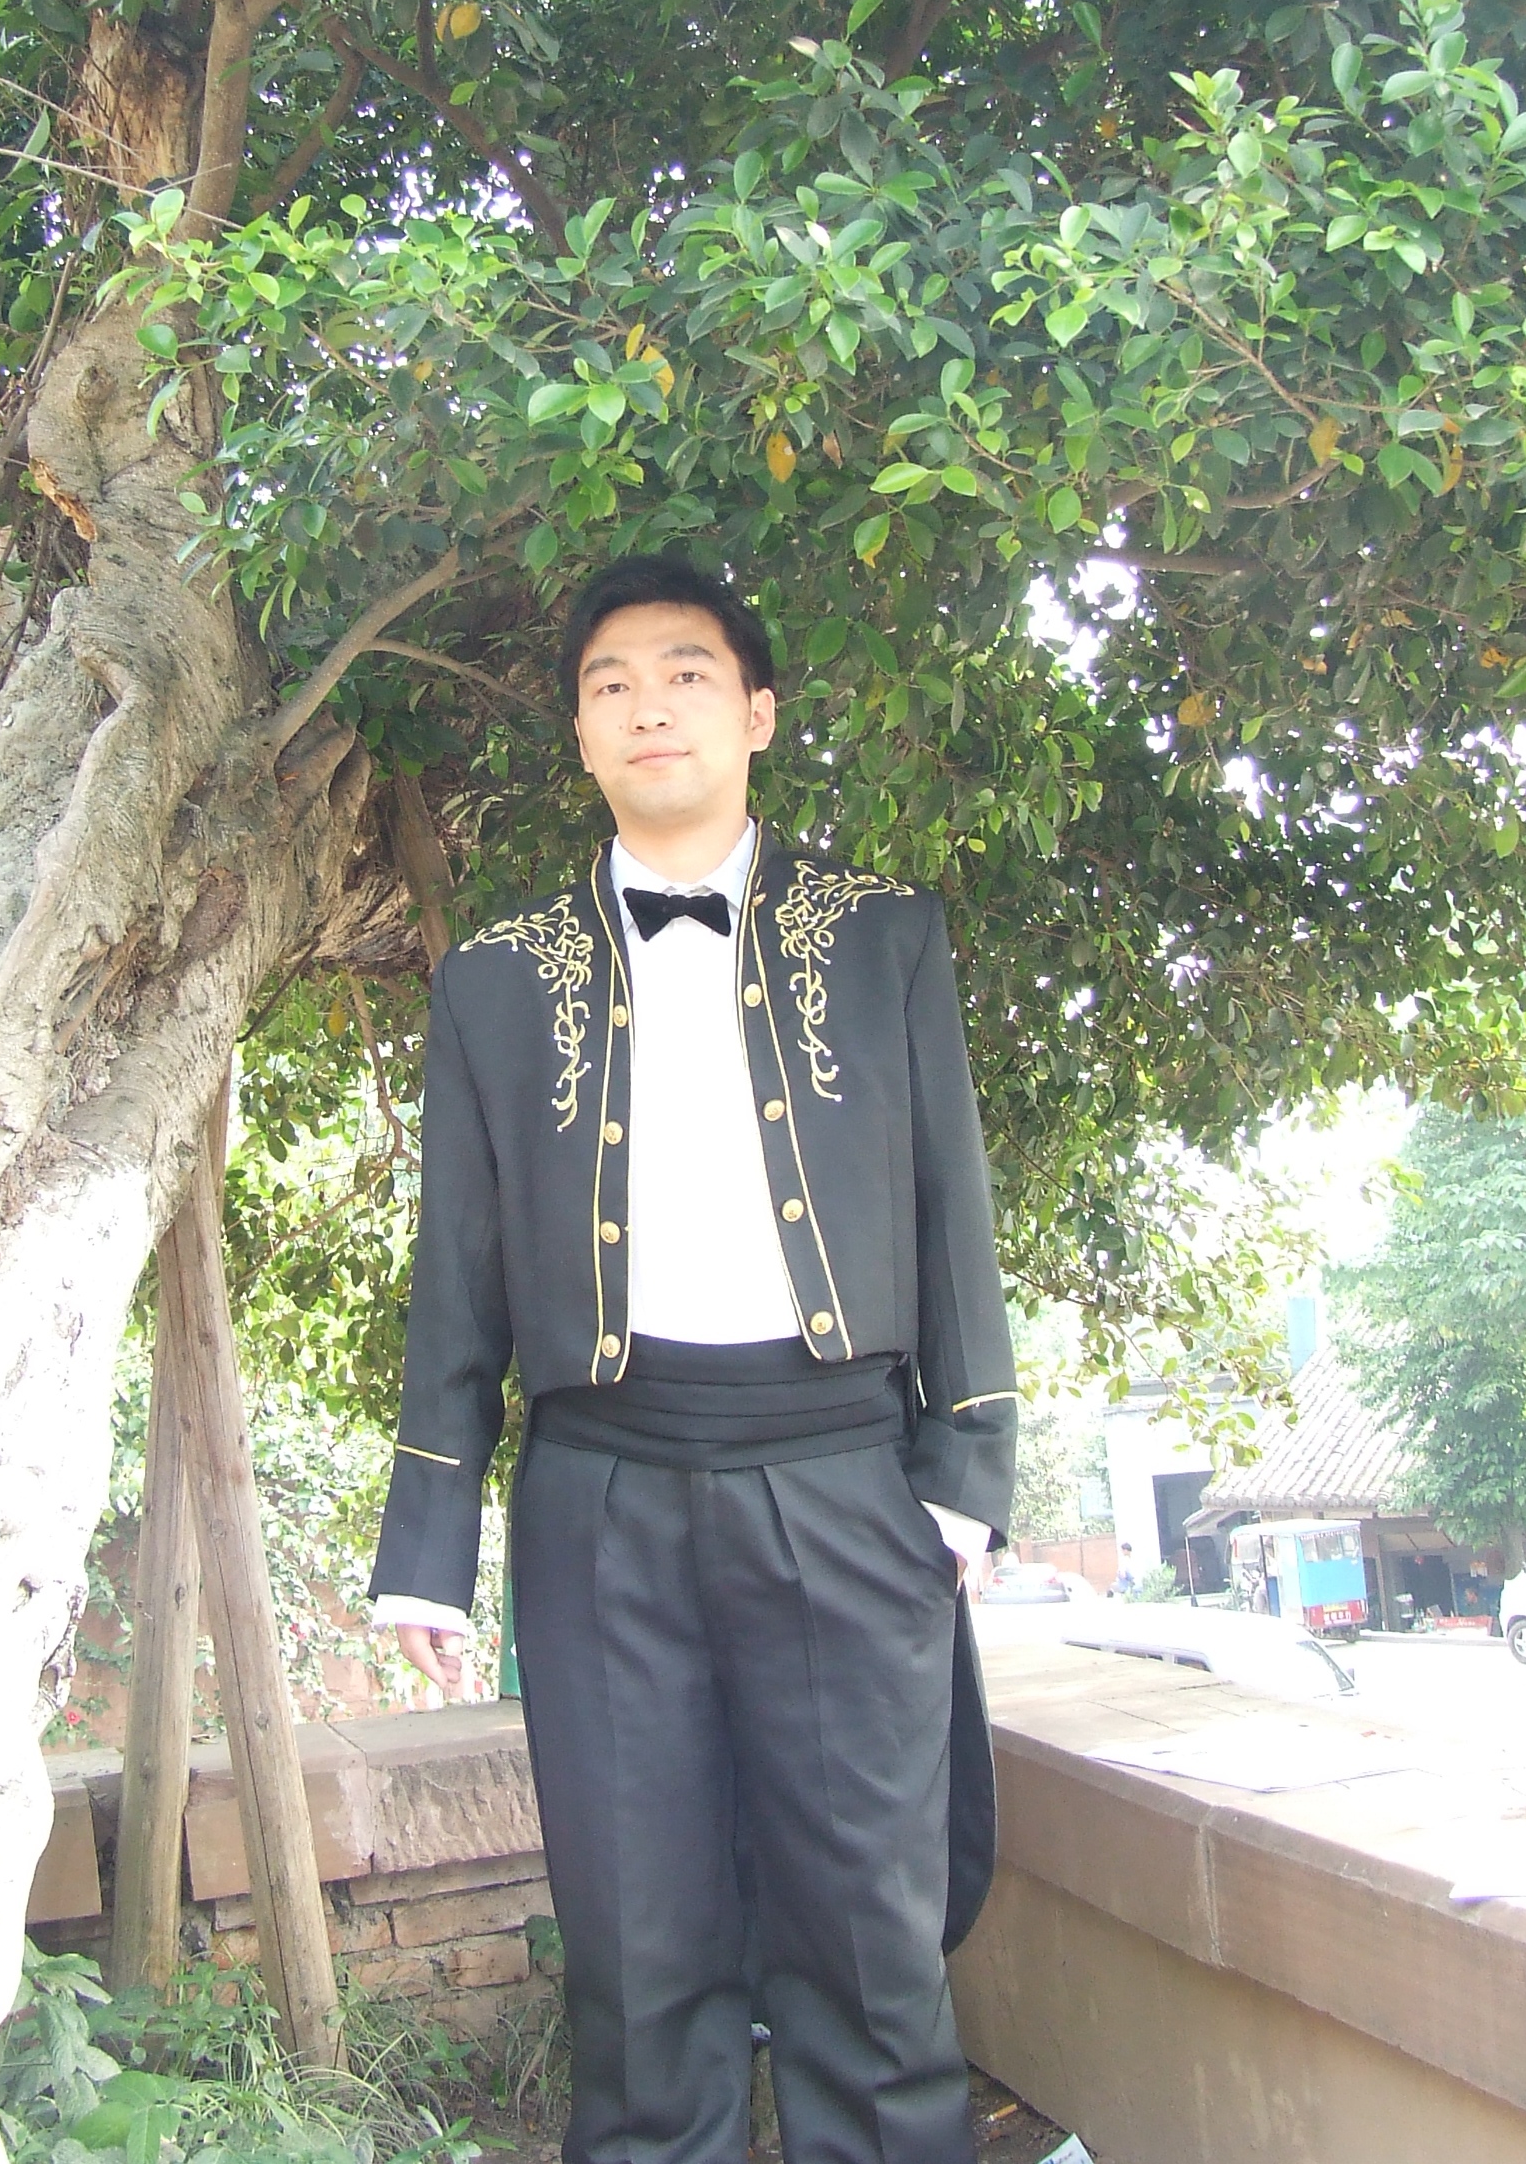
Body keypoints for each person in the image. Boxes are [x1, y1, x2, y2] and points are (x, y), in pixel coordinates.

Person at [368, 554, 1018, 2164]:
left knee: (872, 1957)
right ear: (582, 735)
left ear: (758, 715)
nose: (648, 706)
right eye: (611, 685)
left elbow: (951, 1213)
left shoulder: (884, 938)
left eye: (685, 674)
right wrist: (425, 1553)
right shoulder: (494, 981)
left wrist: (966, 1474)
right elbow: (456, 1279)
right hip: (602, 1495)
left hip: (845, 1478)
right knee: (638, 1961)